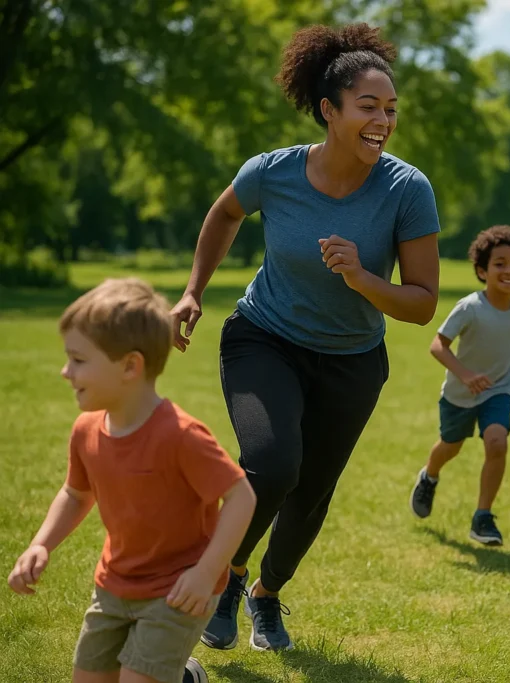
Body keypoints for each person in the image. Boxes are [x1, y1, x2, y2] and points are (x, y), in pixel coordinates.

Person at [169, 22, 441, 652]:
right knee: (272, 463)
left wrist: (362, 277)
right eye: (368, 107)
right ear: (329, 109)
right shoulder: (275, 173)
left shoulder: (406, 189)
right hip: (264, 337)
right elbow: (225, 212)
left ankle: (263, 593)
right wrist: (192, 290)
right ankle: (223, 581)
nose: (383, 121)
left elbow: (422, 304)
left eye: (391, 110)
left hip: (352, 360)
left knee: (312, 490)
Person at [7, 278, 255, 683]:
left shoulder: (180, 435)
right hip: (115, 584)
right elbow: (75, 493)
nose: (65, 371)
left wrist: (207, 572)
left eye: (78, 360)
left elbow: (240, 496)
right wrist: (41, 544)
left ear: (129, 366)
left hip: (180, 587)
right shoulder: (86, 431)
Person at [409, 225, 510, 546]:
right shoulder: (470, 307)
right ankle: (429, 476)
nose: (509, 270)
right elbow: (438, 345)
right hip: (461, 392)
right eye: (499, 263)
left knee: (497, 442)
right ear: (481, 270)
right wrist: (466, 375)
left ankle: (483, 517)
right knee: (451, 446)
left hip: (499, 388)